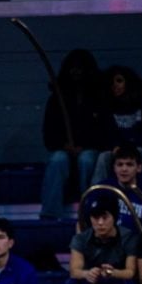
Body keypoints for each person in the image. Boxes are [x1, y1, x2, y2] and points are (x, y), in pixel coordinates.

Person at [39, 49, 106, 221]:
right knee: (57, 160)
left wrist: (84, 145)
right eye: (73, 68)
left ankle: (88, 212)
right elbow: (49, 133)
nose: (76, 72)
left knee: (87, 160)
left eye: (80, 68)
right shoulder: (57, 99)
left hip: (89, 149)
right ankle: (51, 213)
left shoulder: (98, 98)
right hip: (63, 149)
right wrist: (64, 145)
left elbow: (104, 131)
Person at [92, 65, 142, 185]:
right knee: (104, 157)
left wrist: (129, 146)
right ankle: (96, 197)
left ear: (129, 83)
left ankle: (140, 198)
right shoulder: (107, 107)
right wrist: (116, 146)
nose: (115, 85)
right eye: (112, 82)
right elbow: (107, 135)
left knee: (134, 159)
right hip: (119, 151)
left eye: (119, 81)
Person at [97, 144, 142, 230]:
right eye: (120, 164)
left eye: (129, 164)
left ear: (139, 168)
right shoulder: (102, 188)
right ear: (114, 167)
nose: (124, 169)